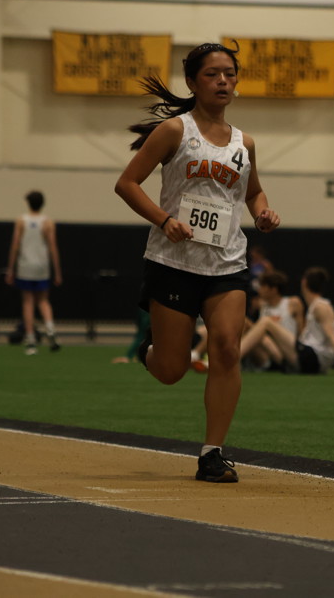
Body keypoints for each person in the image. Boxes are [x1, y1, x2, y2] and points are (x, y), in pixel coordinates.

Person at [114, 40, 280, 483]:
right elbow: (127, 184)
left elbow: (253, 192)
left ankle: (212, 454)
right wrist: (164, 220)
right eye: (212, 74)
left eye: (229, 73)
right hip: (173, 261)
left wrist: (263, 213)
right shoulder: (174, 131)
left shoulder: (245, 143)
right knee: (173, 370)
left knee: (226, 347)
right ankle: (151, 351)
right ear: (192, 81)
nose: (223, 81)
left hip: (227, 263)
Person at [238, 267, 334, 377]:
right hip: (310, 358)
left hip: (314, 358)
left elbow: (333, 337)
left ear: (304, 282)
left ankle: (233, 357)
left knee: (266, 321)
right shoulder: (315, 306)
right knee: (260, 323)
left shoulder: (320, 306)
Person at [4, 190, 62, 355]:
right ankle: (50, 328)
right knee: (43, 300)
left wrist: (10, 269)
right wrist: (57, 272)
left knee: (28, 302)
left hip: (25, 266)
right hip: (42, 266)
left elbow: (15, 245)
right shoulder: (48, 222)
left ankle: (31, 341)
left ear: (28, 203)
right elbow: (53, 247)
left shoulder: (21, 221)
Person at [239, 270, 304, 371]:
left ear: (273, 289)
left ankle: (233, 358)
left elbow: (301, 331)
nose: (259, 290)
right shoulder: (262, 305)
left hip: (287, 350)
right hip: (268, 351)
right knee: (243, 321)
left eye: (263, 286)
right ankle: (239, 361)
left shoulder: (292, 303)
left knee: (265, 323)